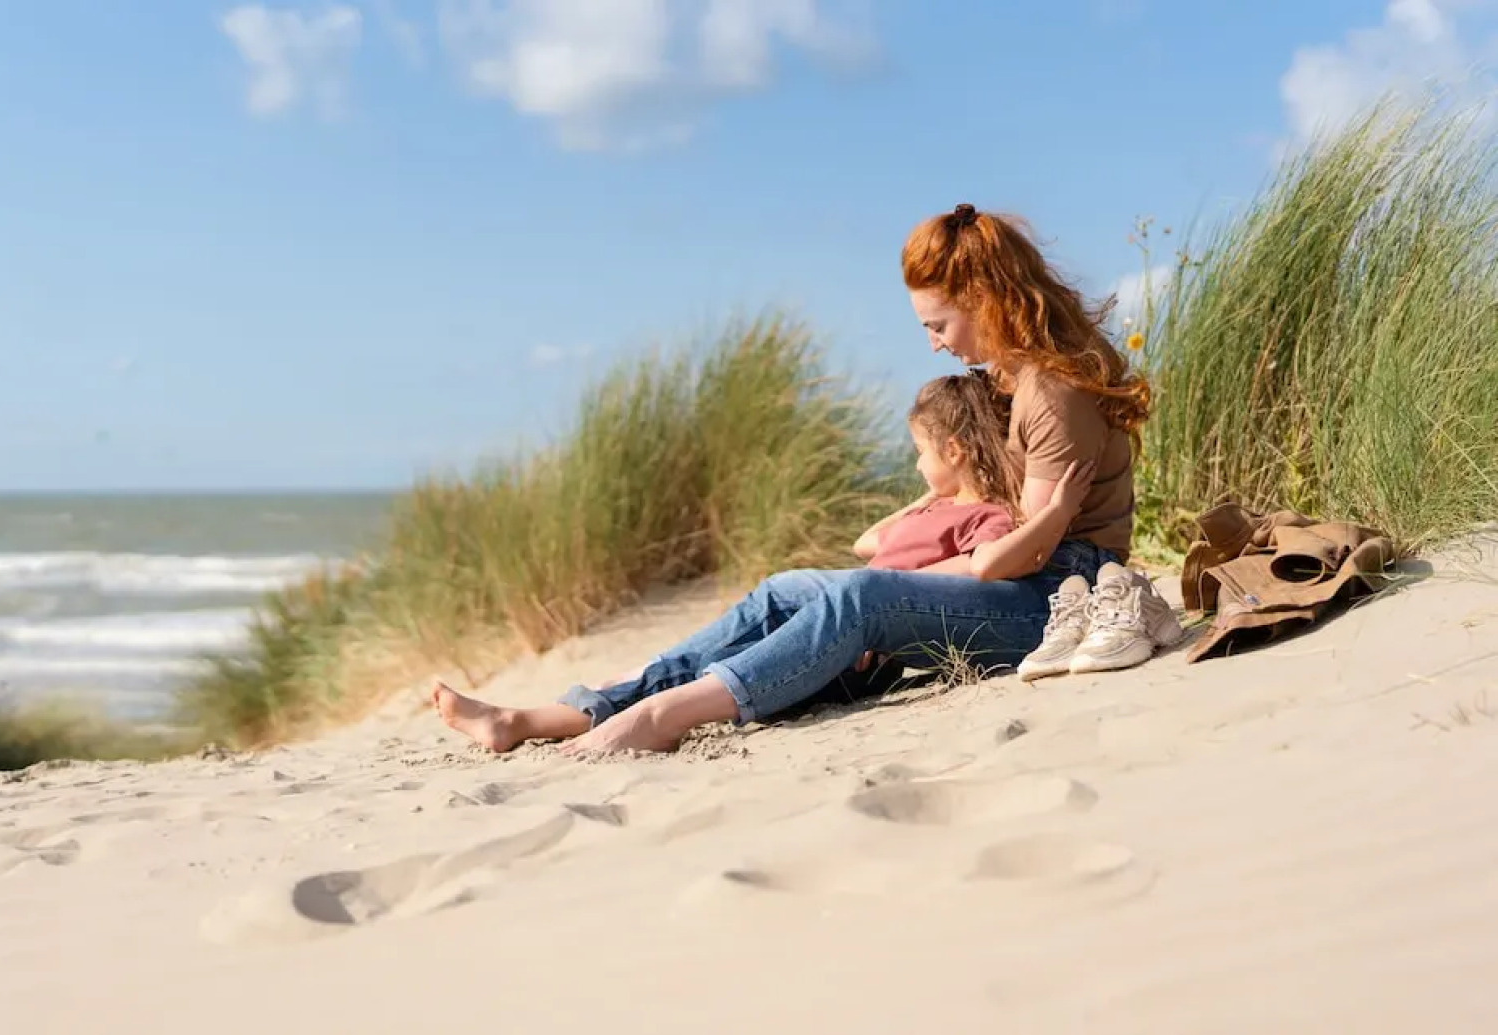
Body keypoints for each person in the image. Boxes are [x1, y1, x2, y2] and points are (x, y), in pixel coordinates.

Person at [435, 202, 1152, 755]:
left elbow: (1025, 557)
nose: (932, 342)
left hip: (1052, 606)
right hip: (1016, 584)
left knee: (864, 597)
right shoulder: (1010, 379)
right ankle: (557, 714)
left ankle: (663, 716)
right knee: (789, 589)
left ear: (988, 299)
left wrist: (920, 588)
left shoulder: (1050, 393)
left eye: (939, 322)